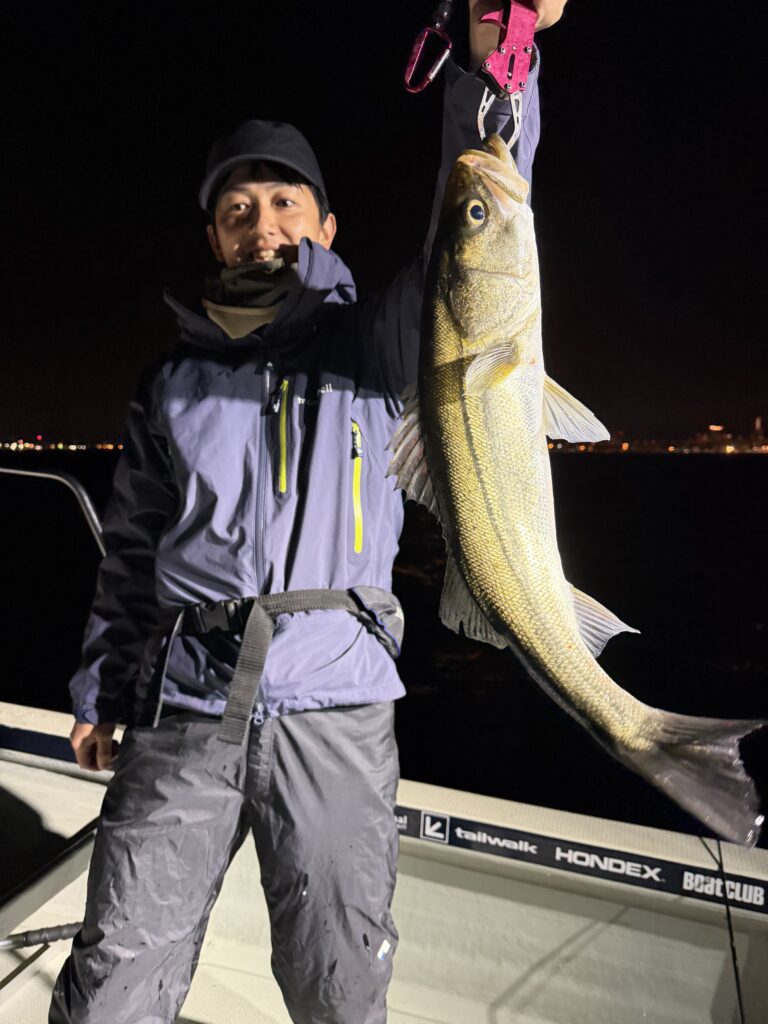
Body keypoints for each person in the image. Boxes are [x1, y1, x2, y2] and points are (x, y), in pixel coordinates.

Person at [51, 3, 565, 1021]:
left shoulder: (376, 343)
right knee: (113, 977)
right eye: (238, 209)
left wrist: (494, 58)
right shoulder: (171, 384)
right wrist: (100, 689)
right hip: (185, 710)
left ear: (326, 226)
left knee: (340, 984)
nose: (263, 224)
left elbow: (476, 229)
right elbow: (132, 555)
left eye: (286, 201)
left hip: (336, 706)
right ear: (214, 235)